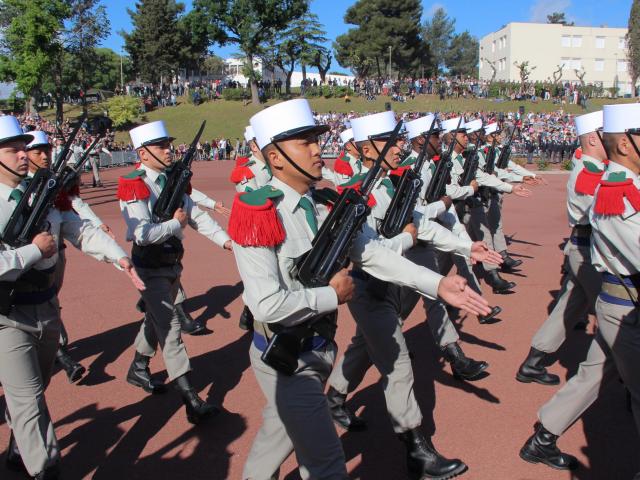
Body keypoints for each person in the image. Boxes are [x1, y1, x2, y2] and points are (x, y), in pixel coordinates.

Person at [229, 99, 491, 480]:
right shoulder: (257, 212)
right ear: (276, 157)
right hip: (285, 355)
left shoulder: (323, 205)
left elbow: (373, 254)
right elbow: (266, 305)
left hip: (318, 347)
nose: (319, 149)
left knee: (278, 432)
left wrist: (437, 284)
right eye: (304, 143)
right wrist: (331, 296)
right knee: (327, 465)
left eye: (317, 139)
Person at [0, 115, 144, 479]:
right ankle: (45, 467)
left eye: (25, 147)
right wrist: (32, 252)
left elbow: (80, 230)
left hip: (46, 306)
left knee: (40, 384)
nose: (23, 154)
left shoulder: (43, 195)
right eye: (14, 148)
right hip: (7, 314)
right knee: (29, 397)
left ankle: (20, 447)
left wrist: (119, 257)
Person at [519, 103, 640, 475]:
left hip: (619, 301)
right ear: (625, 144)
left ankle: (543, 437)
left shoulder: (622, 184)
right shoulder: (615, 191)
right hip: (624, 301)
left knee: (594, 370)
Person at [118, 120, 231, 424]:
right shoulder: (133, 184)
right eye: (161, 147)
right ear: (142, 153)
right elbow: (140, 233)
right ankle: (191, 399)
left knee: (156, 318)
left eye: (169, 145)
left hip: (172, 263)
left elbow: (195, 216)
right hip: (149, 266)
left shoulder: (174, 179)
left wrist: (225, 241)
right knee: (169, 327)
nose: (169, 151)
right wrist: (173, 224)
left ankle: (139, 367)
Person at [516, 111, 606, 385]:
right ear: (593, 138)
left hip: (585, 248)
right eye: (607, 135)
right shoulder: (588, 173)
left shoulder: (592, 168)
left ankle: (533, 362)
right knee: (620, 320)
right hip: (591, 250)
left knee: (568, 308)